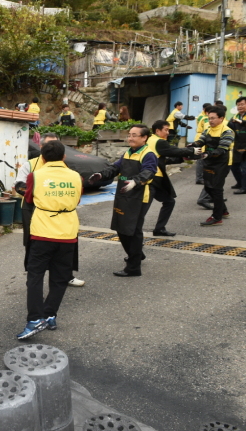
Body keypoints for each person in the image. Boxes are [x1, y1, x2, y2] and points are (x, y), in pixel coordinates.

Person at [16, 140, 83, 340]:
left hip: (42, 233)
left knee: (35, 276)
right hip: (68, 233)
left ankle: (35, 319)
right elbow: (77, 199)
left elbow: (28, 199)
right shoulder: (76, 176)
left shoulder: (35, 176)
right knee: (60, 277)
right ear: (64, 157)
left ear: (42, 158)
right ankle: (50, 314)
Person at [14, 133, 85, 287]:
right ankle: (34, 275)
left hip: (61, 209)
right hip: (33, 208)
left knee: (67, 242)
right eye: (49, 145)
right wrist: (38, 196)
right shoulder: (30, 165)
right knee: (34, 243)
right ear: (41, 148)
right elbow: (19, 185)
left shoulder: (65, 165)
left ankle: (66, 275)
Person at [89, 124, 158, 277]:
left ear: (144, 137)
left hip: (138, 197)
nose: (130, 138)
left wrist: (135, 182)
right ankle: (137, 254)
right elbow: (116, 168)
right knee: (121, 228)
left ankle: (133, 267)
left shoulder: (148, 154)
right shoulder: (128, 152)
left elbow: (149, 171)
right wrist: (101, 175)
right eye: (129, 135)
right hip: (123, 195)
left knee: (132, 231)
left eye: (134, 135)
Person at [147, 120, 201, 237]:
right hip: (154, 178)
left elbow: (164, 159)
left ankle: (159, 229)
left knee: (169, 201)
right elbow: (173, 151)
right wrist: (191, 150)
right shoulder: (159, 142)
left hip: (153, 178)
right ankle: (133, 232)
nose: (168, 133)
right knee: (145, 207)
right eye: (166, 130)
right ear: (157, 131)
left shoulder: (150, 140)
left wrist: (182, 158)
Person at [191, 106, 234, 226]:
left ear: (221, 118)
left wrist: (207, 154)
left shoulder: (227, 131)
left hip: (221, 163)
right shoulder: (208, 129)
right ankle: (223, 211)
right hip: (209, 161)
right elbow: (201, 141)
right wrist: (193, 145)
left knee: (216, 189)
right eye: (209, 118)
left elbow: (221, 149)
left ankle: (217, 217)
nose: (210, 121)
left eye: (213, 118)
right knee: (209, 187)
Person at [228, 96, 246, 195]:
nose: (240, 106)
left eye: (242, 104)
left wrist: (242, 122)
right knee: (234, 166)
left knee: (244, 168)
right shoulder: (235, 117)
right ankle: (239, 183)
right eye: (238, 105)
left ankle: (244, 187)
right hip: (237, 145)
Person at [194, 103, 212, 185]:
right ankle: (199, 178)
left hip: (200, 137)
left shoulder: (201, 117)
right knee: (201, 159)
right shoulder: (206, 119)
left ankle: (201, 177)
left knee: (201, 159)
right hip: (202, 138)